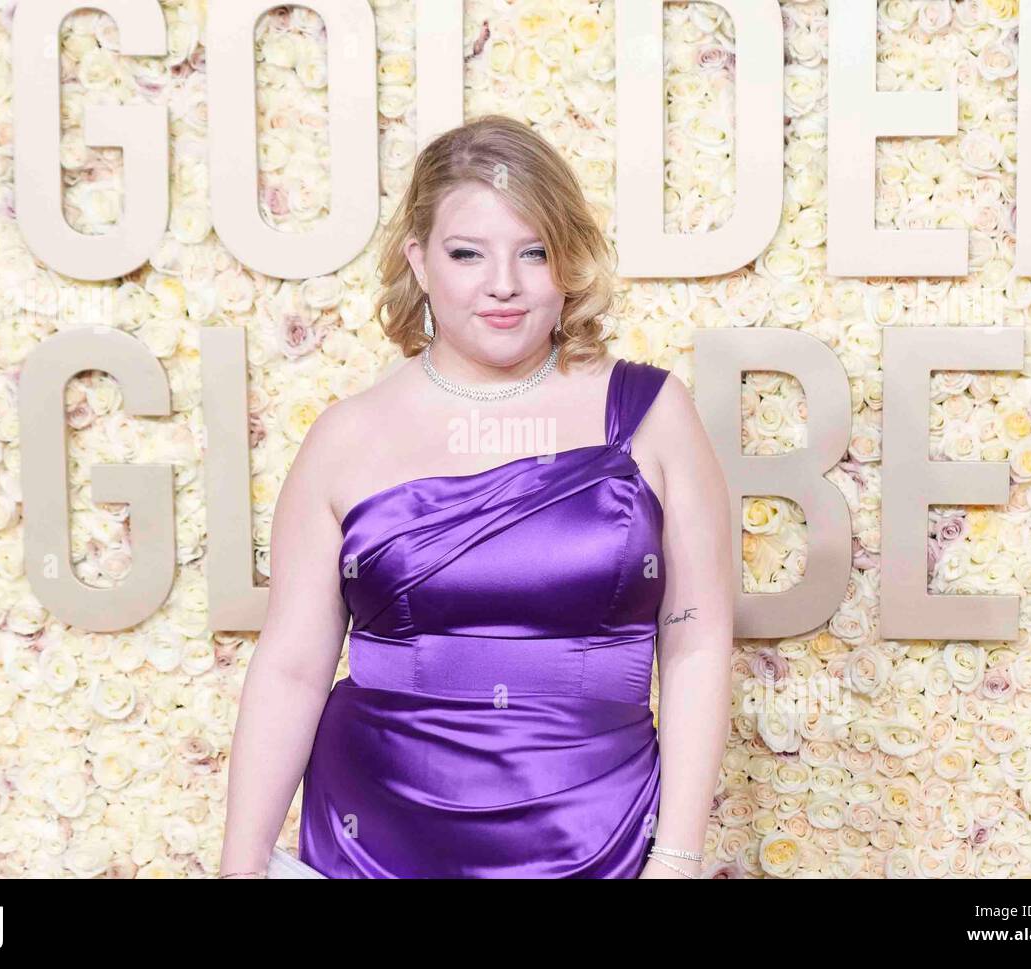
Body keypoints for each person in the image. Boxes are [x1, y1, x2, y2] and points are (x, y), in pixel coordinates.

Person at [218, 114, 733, 878]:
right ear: (419, 262)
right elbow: (293, 664)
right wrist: (241, 859)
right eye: (468, 253)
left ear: (570, 262)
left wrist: (679, 854)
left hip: (602, 835)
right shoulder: (346, 436)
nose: (504, 284)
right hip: (374, 838)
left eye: (534, 252)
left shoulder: (652, 413)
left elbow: (694, 641)